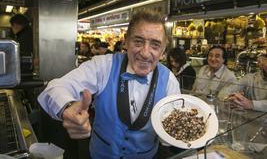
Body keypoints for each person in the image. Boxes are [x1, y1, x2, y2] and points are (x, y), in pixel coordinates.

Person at [38, 10, 180, 159]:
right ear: (126, 41)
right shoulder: (103, 66)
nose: (145, 53)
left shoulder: (170, 82)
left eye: (155, 45)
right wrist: (67, 108)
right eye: (138, 41)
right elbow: (55, 88)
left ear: (163, 50)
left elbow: (169, 137)